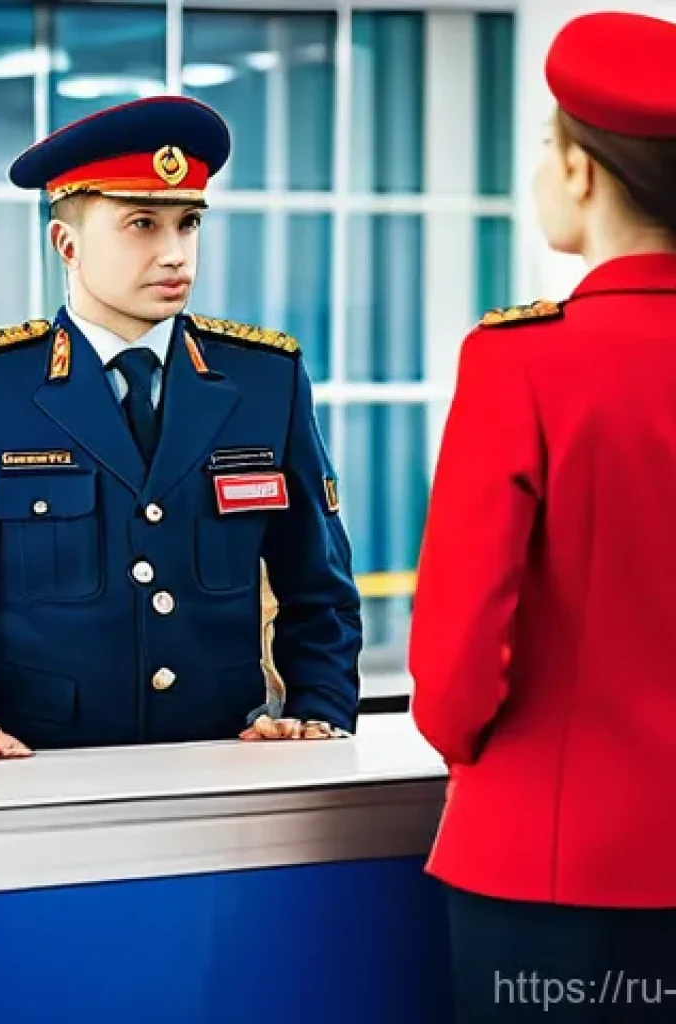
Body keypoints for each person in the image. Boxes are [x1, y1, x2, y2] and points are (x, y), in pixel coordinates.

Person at [0, 95, 362, 762]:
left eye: (187, 224)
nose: (174, 254)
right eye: (140, 224)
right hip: (38, 773)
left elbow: (321, 593)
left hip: (229, 767)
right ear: (65, 243)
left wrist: (317, 714)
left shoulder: (265, 381)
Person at [408, 11, 676, 1021]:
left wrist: (469, 742)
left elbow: (454, 667)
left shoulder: (525, 358)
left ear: (578, 172)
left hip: (554, 867)